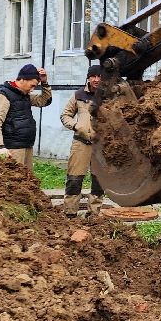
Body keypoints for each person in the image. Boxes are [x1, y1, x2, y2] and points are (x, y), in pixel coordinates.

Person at [60, 65, 106, 216]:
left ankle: (93, 214)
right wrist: (76, 126)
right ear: (88, 77)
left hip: (101, 147)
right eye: (93, 76)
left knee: (99, 182)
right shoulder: (79, 95)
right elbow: (65, 115)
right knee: (74, 179)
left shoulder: (108, 96)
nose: (97, 79)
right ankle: (70, 213)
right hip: (80, 143)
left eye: (100, 76)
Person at [0, 64, 52, 167]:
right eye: (32, 85)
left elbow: (44, 101)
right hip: (12, 149)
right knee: (14, 180)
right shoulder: (3, 95)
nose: (32, 90)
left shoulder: (24, 95)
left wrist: (44, 82)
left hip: (27, 146)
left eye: (35, 87)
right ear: (22, 79)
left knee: (27, 180)